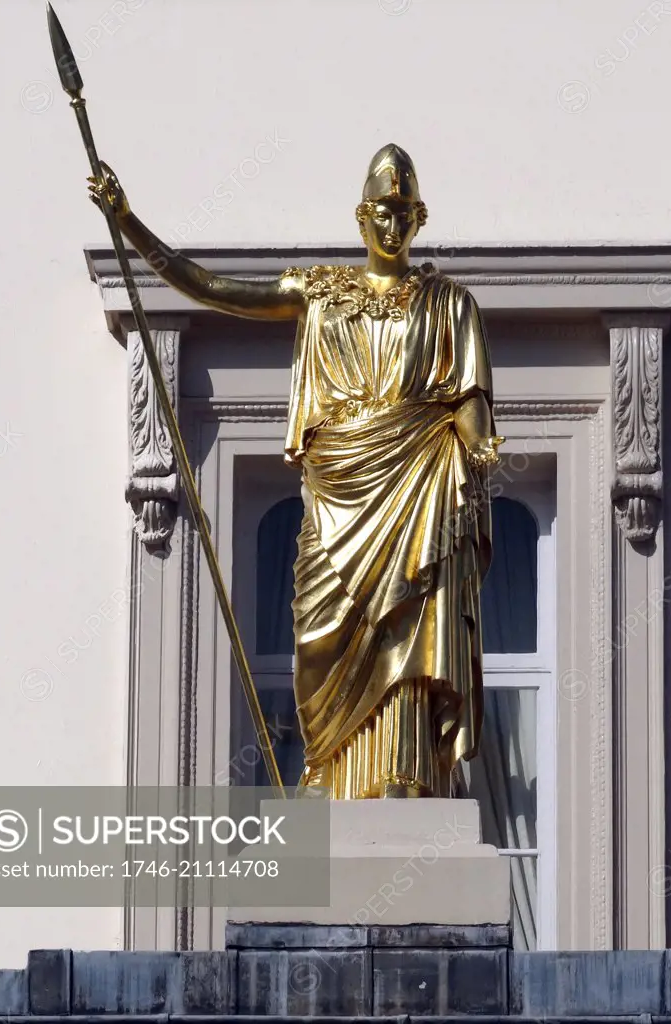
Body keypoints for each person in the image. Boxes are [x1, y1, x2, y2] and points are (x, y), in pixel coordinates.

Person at [89, 143, 503, 798]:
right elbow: (212, 288)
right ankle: (329, 769)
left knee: (412, 625)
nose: (391, 225)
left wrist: (479, 455)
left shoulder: (449, 302)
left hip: (420, 478)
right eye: (381, 212)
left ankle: (404, 774)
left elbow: (469, 399)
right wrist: (129, 223)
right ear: (360, 217)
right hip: (337, 488)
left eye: (403, 212)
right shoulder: (319, 290)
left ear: (419, 219)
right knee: (319, 634)